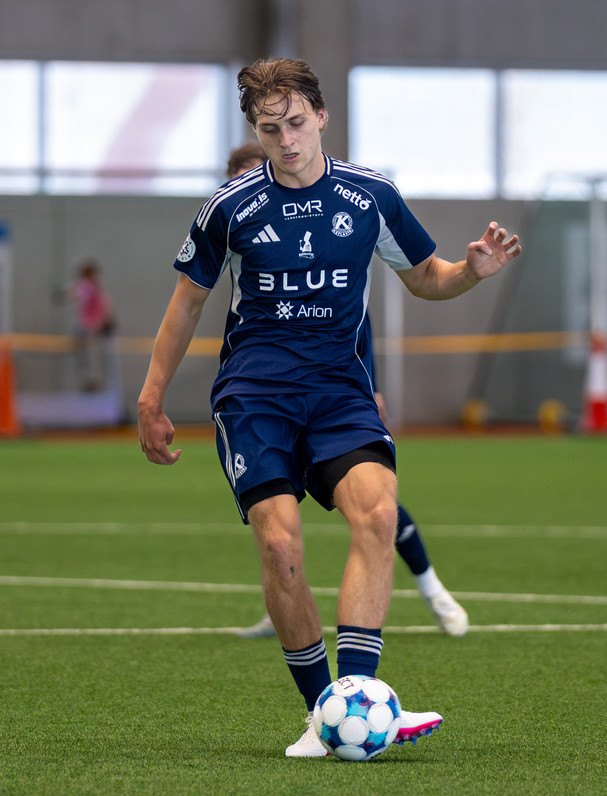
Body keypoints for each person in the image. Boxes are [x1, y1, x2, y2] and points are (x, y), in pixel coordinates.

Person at [138, 57, 521, 758]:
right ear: (255, 131)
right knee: (281, 547)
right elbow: (186, 304)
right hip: (254, 397)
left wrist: (472, 271)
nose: (285, 140)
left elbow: (427, 278)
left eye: (294, 123)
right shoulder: (229, 207)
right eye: (269, 129)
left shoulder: (371, 196)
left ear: (320, 115)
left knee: (376, 513)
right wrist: (151, 397)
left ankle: (358, 703)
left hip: (340, 391)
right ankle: (323, 715)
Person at [225, 144, 469, 642]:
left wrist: (371, 386)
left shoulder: (338, 218)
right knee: (277, 523)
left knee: (377, 508)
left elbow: (364, 321)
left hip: (335, 393)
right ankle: (285, 607)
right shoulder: (238, 234)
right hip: (268, 396)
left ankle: (432, 588)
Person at [67, 259, 116, 392]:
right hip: (90, 326)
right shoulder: (92, 287)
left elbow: (76, 293)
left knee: (91, 355)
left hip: (91, 327)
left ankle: (92, 380)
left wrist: (107, 321)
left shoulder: (91, 287)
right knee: (90, 355)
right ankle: (91, 380)